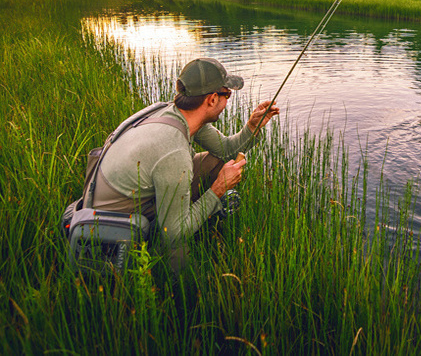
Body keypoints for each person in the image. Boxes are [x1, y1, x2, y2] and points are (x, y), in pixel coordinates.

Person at [86, 57, 279, 269]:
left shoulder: (175, 113)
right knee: (180, 249)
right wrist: (218, 189)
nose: (227, 101)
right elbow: (173, 234)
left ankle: (195, 215)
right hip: (119, 220)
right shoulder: (174, 151)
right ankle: (178, 281)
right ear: (212, 99)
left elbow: (226, 150)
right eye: (227, 95)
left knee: (216, 160)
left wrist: (252, 126)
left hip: (129, 193)